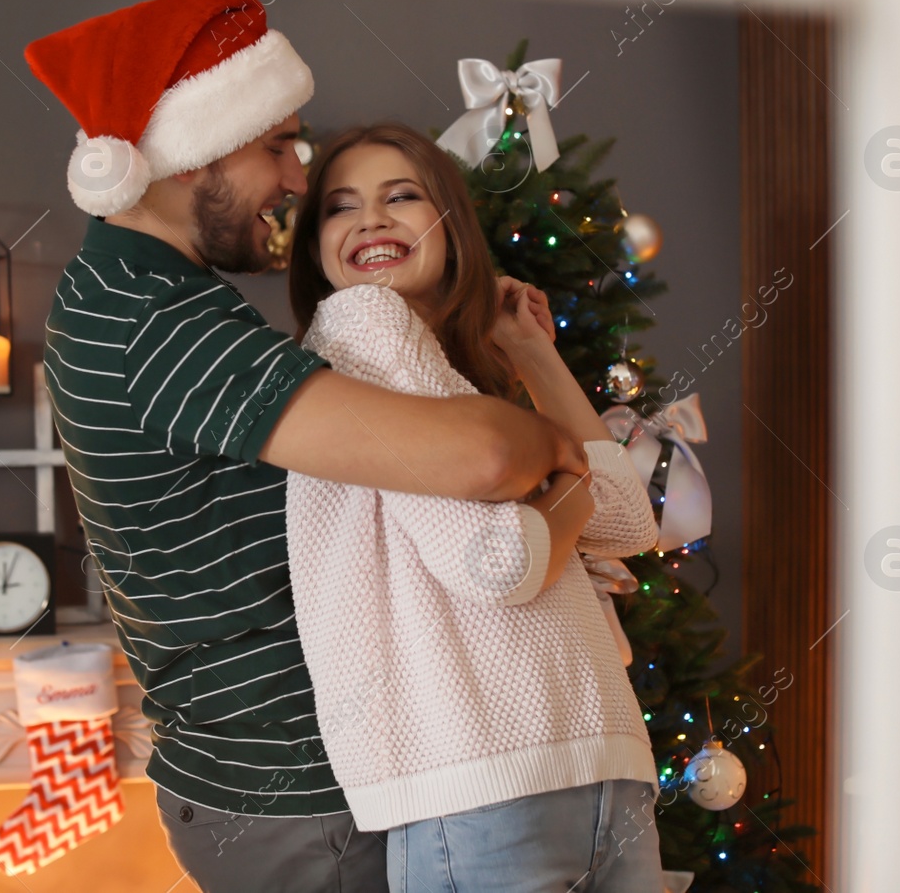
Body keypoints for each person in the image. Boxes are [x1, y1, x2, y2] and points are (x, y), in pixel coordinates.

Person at [24, 0, 589, 893]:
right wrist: (555, 445)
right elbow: (481, 457)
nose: (297, 175)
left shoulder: (150, 293)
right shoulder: (154, 317)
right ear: (185, 156)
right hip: (292, 799)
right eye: (275, 143)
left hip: (296, 793)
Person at [283, 122, 665, 893]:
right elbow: (500, 562)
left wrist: (529, 353)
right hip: (486, 788)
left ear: (450, 225)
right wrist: (559, 487)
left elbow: (630, 522)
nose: (371, 220)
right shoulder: (362, 325)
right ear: (314, 244)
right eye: (340, 206)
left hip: (595, 767)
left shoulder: (455, 380)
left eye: (402, 196)